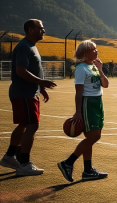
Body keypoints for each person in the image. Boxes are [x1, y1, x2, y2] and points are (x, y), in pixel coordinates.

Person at [1, 20, 57, 176]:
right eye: (41, 28)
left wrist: (41, 88)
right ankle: (24, 164)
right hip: (24, 93)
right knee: (32, 126)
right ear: (31, 30)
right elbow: (20, 71)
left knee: (24, 125)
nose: (44, 30)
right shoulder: (24, 47)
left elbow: (34, 70)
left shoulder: (31, 46)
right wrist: (41, 82)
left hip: (27, 93)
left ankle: (9, 157)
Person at [57, 40, 109, 182]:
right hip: (88, 104)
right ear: (85, 53)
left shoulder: (93, 66)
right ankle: (68, 163)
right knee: (94, 137)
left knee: (91, 137)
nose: (97, 51)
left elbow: (106, 84)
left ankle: (87, 170)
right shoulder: (81, 69)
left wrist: (100, 69)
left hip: (98, 102)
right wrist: (78, 112)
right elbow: (78, 92)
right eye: (93, 49)